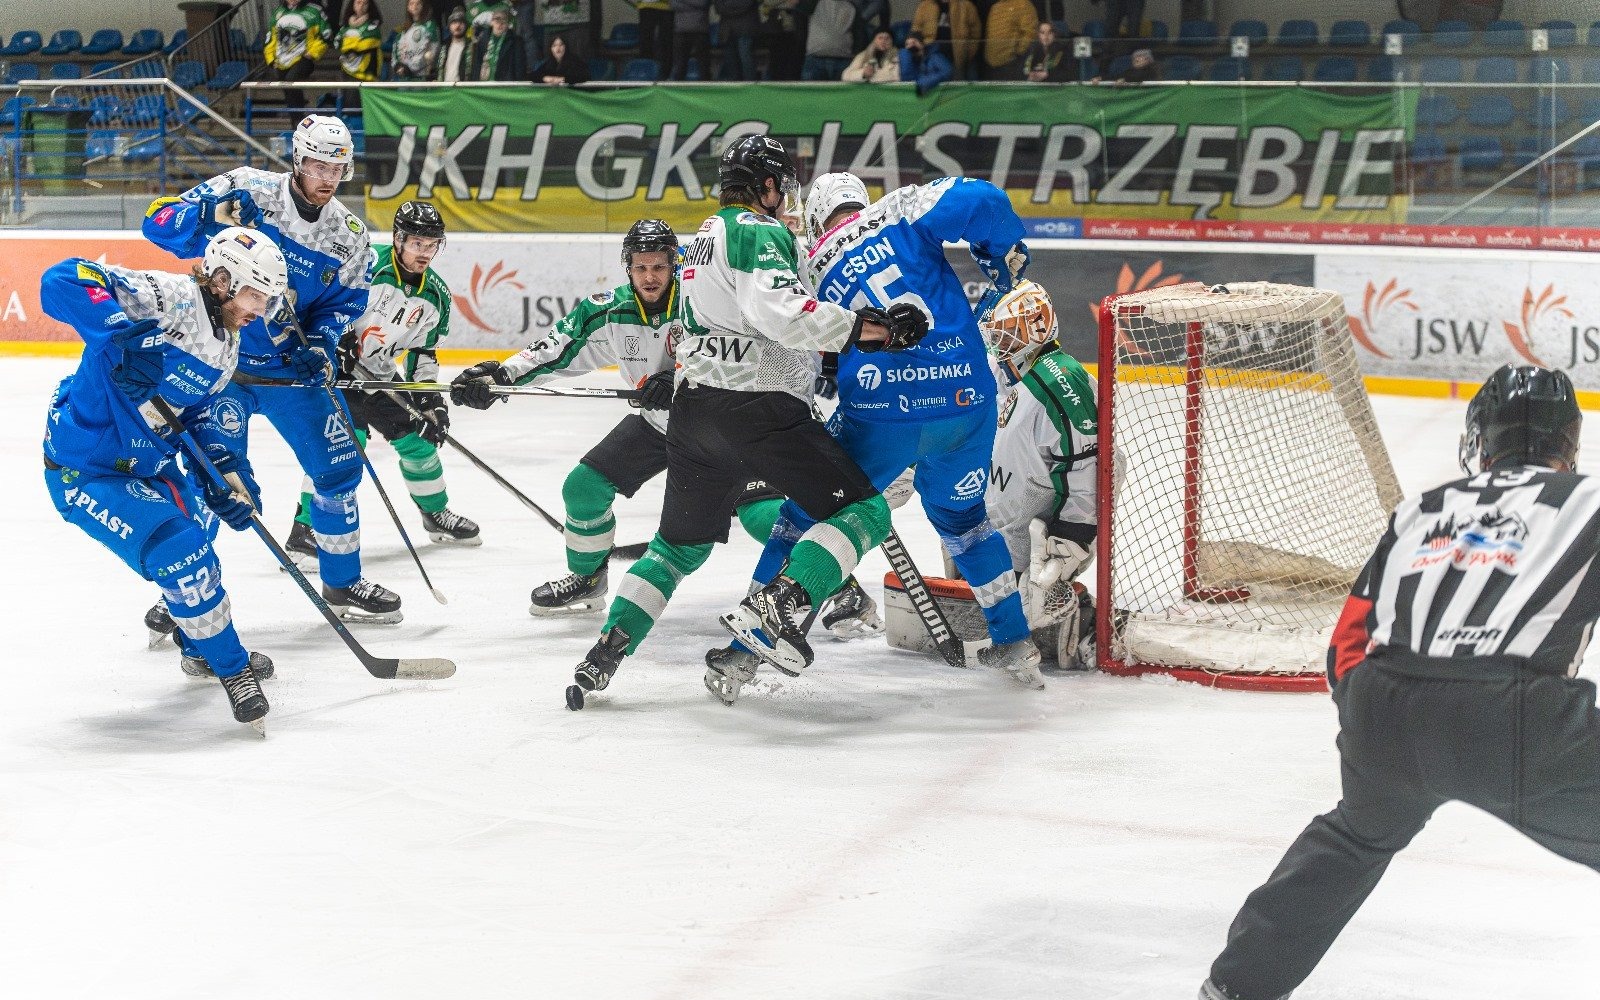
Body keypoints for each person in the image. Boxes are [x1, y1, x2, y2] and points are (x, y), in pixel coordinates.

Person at [1199, 364, 1600, 1000]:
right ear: (1568, 442)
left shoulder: (1423, 509)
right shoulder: (1587, 502)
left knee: (1353, 838)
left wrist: (1372, 728)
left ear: (1483, 439)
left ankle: (1233, 989)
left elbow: (1345, 646)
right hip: (1517, 712)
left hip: (1388, 704)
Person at [519, 137, 927, 708]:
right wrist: (876, 330)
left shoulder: (704, 239)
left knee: (676, 548)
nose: (784, 196)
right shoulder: (757, 231)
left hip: (694, 413)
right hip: (759, 410)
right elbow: (783, 315)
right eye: (779, 185)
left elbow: (703, 329)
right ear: (765, 187)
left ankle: (608, 648)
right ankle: (780, 604)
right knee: (866, 510)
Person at [451, 219, 874, 627]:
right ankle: (588, 579)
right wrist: (499, 376)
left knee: (762, 516)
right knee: (583, 488)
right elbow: (554, 350)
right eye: (640, 267)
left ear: (676, 265)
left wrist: (678, 376)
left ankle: (840, 586)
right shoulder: (608, 312)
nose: (650, 276)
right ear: (628, 268)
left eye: (659, 266)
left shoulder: (704, 299)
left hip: (724, 424)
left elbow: (755, 340)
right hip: (660, 425)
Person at [722, 170, 1044, 696]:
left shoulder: (805, 261)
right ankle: (1013, 642)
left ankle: (744, 649)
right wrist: (1002, 251)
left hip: (880, 413)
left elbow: (783, 340)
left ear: (818, 214)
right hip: (966, 402)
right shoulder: (899, 210)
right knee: (965, 524)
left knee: (800, 516)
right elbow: (981, 197)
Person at [142, 114, 402, 626]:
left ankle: (343, 582)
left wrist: (322, 344)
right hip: (222, 369)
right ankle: (183, 590)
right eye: (317, 164)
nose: (328, 177)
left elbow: (344, 304)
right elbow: (158, 223)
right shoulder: (247, 189)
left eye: (339, 168)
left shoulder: (347, 236)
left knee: (339, 469)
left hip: (287, 370)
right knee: (216, 479)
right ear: (297, 158)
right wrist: (210, 218)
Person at [42, 229, 289, 730]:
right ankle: (233, 668)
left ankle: (196, 643)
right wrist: (118, 334)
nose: (260, 310)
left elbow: (196, 419)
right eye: (255, 295)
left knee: (201, 535)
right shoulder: (167, 297)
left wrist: (226, 478)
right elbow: (61, 277)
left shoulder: (226, 349)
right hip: (88, 470)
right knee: (183, 552)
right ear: (222, 280)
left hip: (151, 466)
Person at [283, 200, 481, 562]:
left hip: (381, 373)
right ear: (398, 239)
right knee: (344, 443)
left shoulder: (436, 295)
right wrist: (332, 338)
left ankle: (435, 514)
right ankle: (306, 528)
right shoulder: (365, 264)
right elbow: (319, 303)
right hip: (336, 372)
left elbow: (424, 352)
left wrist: (427, 399)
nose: (425, 252)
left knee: (421, 442)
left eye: (432, 244)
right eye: (417, 243)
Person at [976, 280, 1097, 666]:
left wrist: (1071, 536)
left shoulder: (1059, 379)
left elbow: (1087, 464)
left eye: (1010, 333)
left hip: (1043, 535)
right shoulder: (1015, 370)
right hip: (1005, 524)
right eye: (998, 335)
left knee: (1034, 605)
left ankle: (1088, 626)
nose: (1000, 343)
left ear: (1039, 330)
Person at [265, 0, 331, 108]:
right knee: (287, 89)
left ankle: (298, 117)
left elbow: (326, 36)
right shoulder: (278, 12)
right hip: (281, 60)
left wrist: (312, 53)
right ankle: (296, 118)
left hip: (303, 59)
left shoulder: (315, 10)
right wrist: (271, 60)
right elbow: (270, 39)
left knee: (291, 80)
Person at [910, 0, 978, 77]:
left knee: (955, 86)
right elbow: (916, 29)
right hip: (930, 56)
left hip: (957, 58)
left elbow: (975, 33)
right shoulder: (925, 6)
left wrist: (967, 52)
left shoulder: (966, 6)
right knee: (931, 85)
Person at [800, 0, 856, 80]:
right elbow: (799, 7)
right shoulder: (813, 2)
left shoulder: (852, 7)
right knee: (810, 92)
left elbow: (858, 33)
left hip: (843, 60)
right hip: (815, 59)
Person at [982, 0, 1036, 79]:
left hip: (1012, 63)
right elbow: (989, 33)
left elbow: (1030, 32)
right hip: (991, 64)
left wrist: (1018, 53)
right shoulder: (995, 7)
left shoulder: (1023, 4)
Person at [471, 4, 526, 79]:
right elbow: (476, 66)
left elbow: (519, 67)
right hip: (483, 86)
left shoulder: (515, 41)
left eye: (504, 20)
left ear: (508, 24)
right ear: (491, 22)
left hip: (505, 87)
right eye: (497, 19)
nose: (500, 23)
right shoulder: (482, 40)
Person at [336, 0, 385, 83]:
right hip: (346, 69)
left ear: (369, 6)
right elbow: (337, 43)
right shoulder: (345, 27)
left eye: (365, 3)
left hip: (365, 73)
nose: (361, 6)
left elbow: (366, 45)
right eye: (358, 2)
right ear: (352, 5)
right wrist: (355, 40)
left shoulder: (373, 26)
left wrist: (348, 40)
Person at [714, 0, 762, 80]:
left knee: (745, 58)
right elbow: (718, 7)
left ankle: (750, 85)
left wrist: (728, 5)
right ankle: (733, 87)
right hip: (727, 30)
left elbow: (746, 4)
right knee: (730, 60)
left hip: (746, 29)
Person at [393, 0, 441, 78]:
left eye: (418, 4)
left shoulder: (430, 26)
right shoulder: (404, 30)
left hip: (423, 77)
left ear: (424, 6)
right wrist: (398, 66)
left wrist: (412, 68)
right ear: (407, 7)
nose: (414, 7)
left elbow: (433, 50)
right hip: (404, 78)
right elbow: (396, 52)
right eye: (411, 4)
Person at [900, 29, 952, 93]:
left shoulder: (934, 56)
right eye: (907, 44)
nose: (911, 46)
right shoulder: (910, 61)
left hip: (939, 93)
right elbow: (907, 79)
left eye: (914, 42)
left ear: (922, 44)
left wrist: (924, 82)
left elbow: (947, 71)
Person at [669, 0, 711, 80]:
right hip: (680, 31)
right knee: (679, 65)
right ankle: (678, 90)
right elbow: (673, 4)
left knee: (704, 65)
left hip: (700, 30)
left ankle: (706, 90)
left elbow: (703, 3)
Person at [632, 0, 674, 70]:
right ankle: (648, 71)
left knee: (665, 42)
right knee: (648, 42)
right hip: (651, 6)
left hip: (663, 7)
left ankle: (662, 72)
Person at [435, 6, 472, 79]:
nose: (458, 25)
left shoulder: (472, 46)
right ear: (449, 26)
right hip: (445, 88)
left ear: (466, 26)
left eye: (461, 22)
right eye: (454, 22)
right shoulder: (444, 46)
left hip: (464, 89)